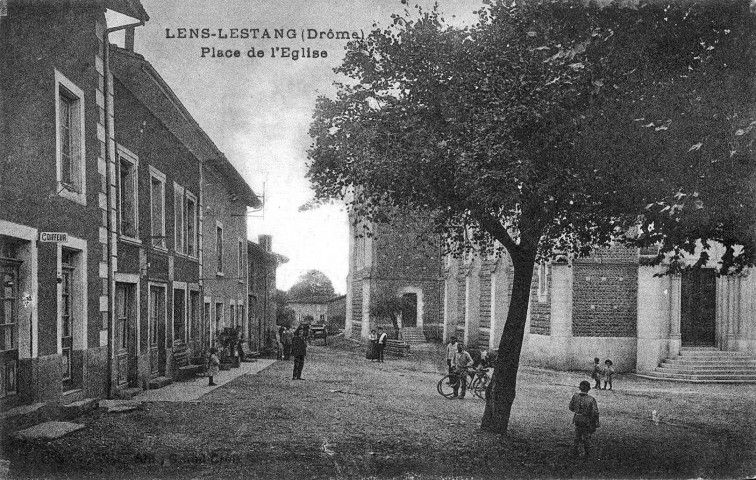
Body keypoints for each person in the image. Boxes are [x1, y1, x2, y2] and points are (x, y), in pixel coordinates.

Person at [569, 380, 600, 457]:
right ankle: (587, 453)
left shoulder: (575, 396)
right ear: (589, 389)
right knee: (586, 436)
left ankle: (575, 451)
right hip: (586, 420)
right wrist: (595, 421)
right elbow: (595, 412)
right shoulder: (591, 399)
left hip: (577, 418)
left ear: (580, 387)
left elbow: (571, 407)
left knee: (577, 435)